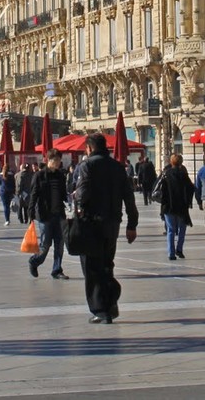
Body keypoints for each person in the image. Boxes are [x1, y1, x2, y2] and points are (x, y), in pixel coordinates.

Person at [73, 133, 138, 324]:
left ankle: (101, 309)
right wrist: (131, 225)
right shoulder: (118, 167)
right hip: (113, 224)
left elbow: (82, 194)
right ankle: (110, 305)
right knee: (107, 265)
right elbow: (129, 197)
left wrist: (76, 198)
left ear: (90, 148)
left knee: (92, 268)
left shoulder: (87, 166)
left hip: (92, 223)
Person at [27, 149, 70, 279]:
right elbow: (33, 195)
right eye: (54, 160)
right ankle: (35, 261)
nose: (57, 163)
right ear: (47, 160)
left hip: (59, 214)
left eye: (58, 160)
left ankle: (57, 270)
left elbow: (64, 195)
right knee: (45, 245)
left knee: (59, 243)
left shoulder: (61, 175)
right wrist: (30, 213)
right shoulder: (39, 176)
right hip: (44, 215)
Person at [158, 153, 193, 260]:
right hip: (182, 206)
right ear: (181, 163)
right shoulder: (184, 174)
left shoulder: (166, 174)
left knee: (171, 230)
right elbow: (191, 188)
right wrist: (188, 202)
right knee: (182, 228)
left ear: (171, 162)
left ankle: (171, 253)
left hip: (169, 206)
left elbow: (161, 190)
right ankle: (179, 249)